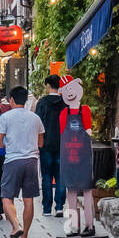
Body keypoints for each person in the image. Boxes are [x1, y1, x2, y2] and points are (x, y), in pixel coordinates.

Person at [0, 85, 45, 238]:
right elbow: (41, 142)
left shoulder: (5, 117)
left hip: (13, 161)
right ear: (25, 100)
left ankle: (16, 226)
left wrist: (7, 144)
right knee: (28, 199)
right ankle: (24, 236)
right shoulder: (35, 118)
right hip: (32, 161)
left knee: (6, 197)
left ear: (11, 100)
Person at [58, 76, 97, 237]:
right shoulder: (63, 113)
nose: (70, 93)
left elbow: (89, 131)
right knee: (71, 193)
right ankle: (73, 226)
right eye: (66, 90)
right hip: (69, 158)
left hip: (84, 158)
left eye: (72, 88)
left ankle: (89, 225)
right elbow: (62, 134)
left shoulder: (85, 110)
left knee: (87, 192)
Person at [34, 74, 68, 217]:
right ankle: (59, 206)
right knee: (60, 176)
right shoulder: (65, 102)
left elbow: (37, 124)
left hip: (46, 144)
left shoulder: (42, 103)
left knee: (46, 176)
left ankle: (47, 208)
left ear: (48, 86)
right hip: (62, 144)